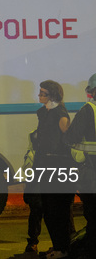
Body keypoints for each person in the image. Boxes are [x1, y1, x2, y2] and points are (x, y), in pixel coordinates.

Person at [33, 80, 74, 258]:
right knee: (48, 209)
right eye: (40, 92)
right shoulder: (43, 112)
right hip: (44, 164)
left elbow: (68, 136)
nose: (39, 95)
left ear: (53, 95)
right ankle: (57, 245)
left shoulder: (60, 113)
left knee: (58, 209)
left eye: (43, 93)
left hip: (58, 166)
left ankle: (62, 248)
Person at [65, 73, 96, 258]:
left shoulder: (88, 110)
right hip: (91, 173)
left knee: (92, 216)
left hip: (91, 174)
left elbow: (69, 139)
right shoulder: (89, 110)